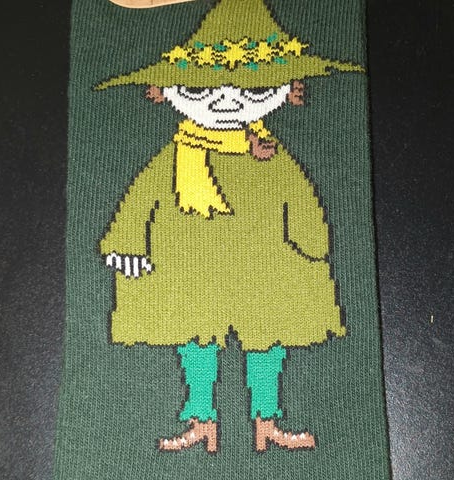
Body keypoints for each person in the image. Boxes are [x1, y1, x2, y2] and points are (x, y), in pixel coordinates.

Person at [96, 0, 362, 452]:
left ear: (286, 90)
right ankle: (201, 418)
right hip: (189, 265)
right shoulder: (177, 158)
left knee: (268, 335)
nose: (226, 100)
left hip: (265, 263)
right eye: (201, 90)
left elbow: (298, 196)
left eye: (251, 90)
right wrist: (125, 243)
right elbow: (141, 200)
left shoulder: (268, 153)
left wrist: (312, 240)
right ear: (167, 90)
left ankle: (266, 420)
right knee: (195, 336)